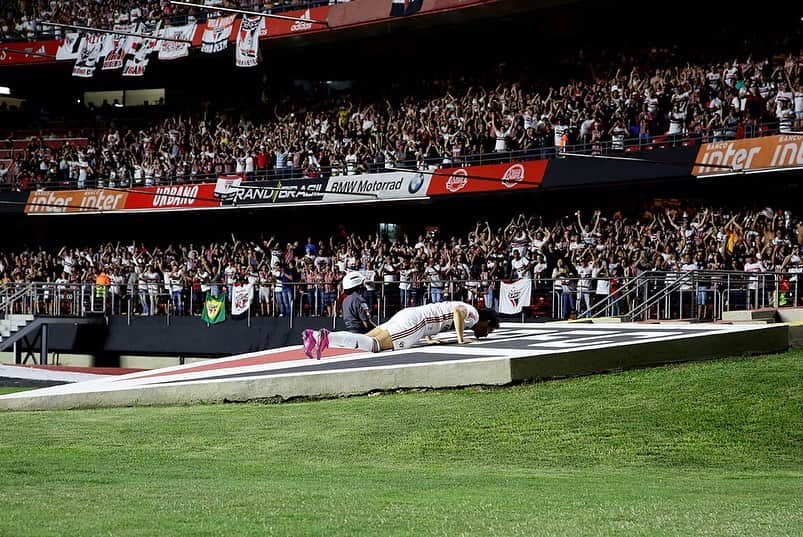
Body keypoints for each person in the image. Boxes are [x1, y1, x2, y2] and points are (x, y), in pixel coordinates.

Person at [302, 301, 499, 360]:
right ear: (487, 320)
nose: (486, 333)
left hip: (413, 316)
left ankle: (317, 337)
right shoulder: (473, 314)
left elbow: (442, 313)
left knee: (366, 339)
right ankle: (322, 336)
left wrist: (430, 337)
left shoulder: (468, 311)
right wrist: (461, 339)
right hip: (416, 324)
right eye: (489, 329)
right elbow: (457, 312)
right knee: (375, 346)